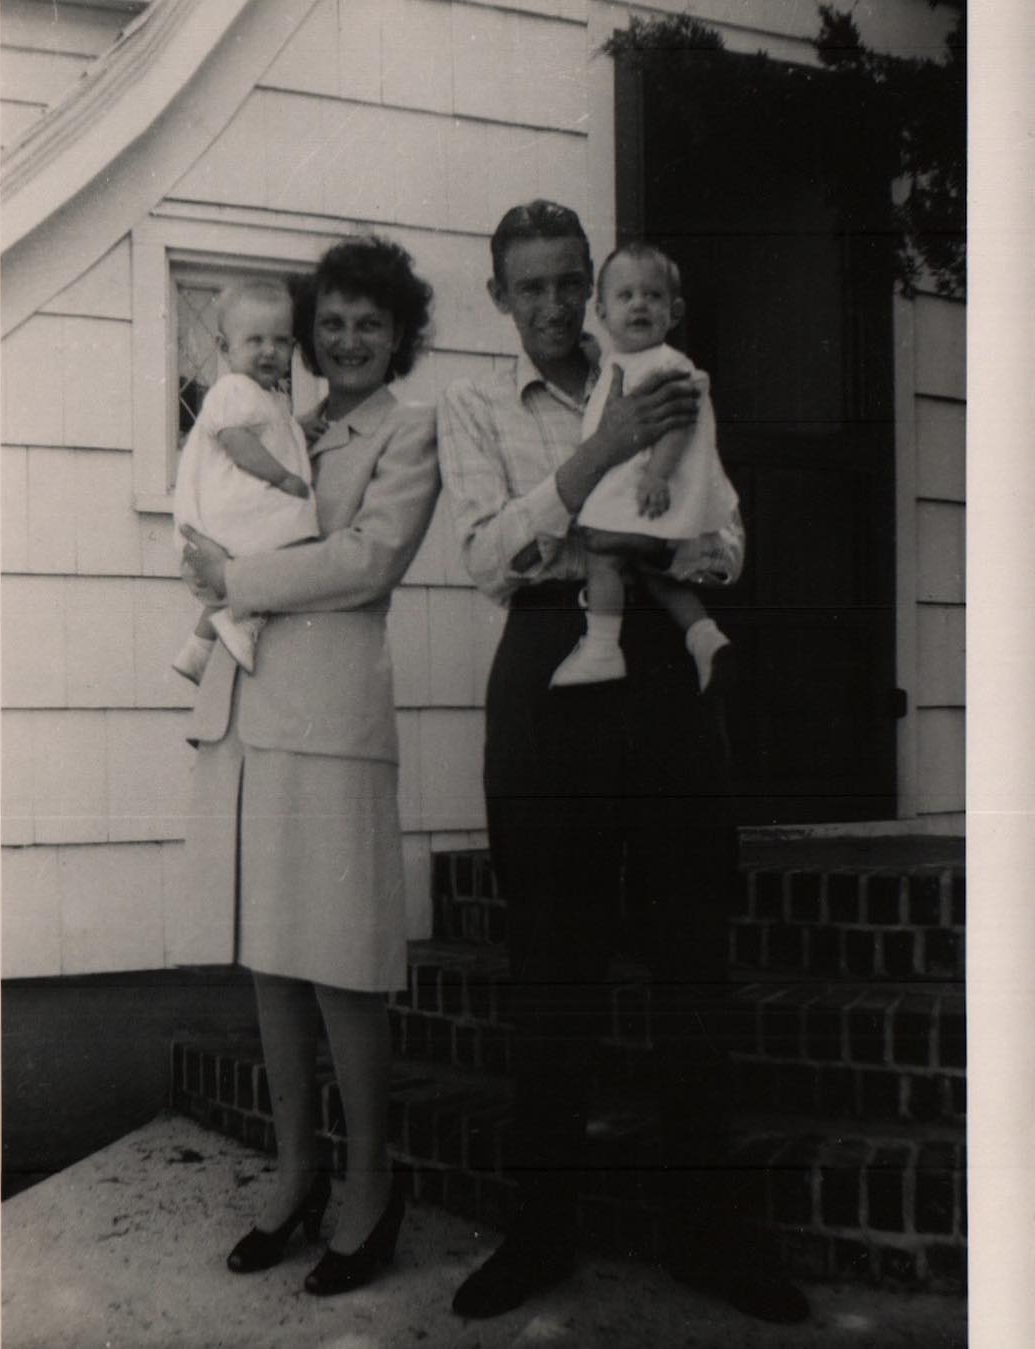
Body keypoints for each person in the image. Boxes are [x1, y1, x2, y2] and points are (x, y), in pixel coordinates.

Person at [437, 200, 808, 1324]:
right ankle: (540, 1230)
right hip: (549, 662)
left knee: (692, 953)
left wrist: (687, 542)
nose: (554, 306)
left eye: (568, 282)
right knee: (551, 958)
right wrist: (602, 456)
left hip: (659, 662)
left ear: (593, 284)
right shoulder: (473, 404)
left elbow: (730, 532)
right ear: (500, 298)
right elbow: (488, 556)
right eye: (531, 287)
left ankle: (709, 1233)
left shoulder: (660, 370)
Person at [175, 236, 439, 1297]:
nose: (345, 339)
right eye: (330, 321)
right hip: (250, 711)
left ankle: (371, 1186)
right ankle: (296, 1177)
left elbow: (366, 559)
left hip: (330, 728)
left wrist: (236, 572)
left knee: (342, 962)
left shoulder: (406, 434)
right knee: (271, 958)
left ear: (400, 334)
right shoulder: (277, 413)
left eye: (369, 322)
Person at [549, 240, 738, 692]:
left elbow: (678, 424)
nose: (639, 305)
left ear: (674, 313)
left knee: (604, 556)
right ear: (602, 311)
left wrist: (656, 474)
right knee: (652, 576)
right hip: (645, 493)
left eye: (652, 296)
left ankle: (601, 649)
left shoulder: (667, 364)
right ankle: (705, 638)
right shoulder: (620, 363)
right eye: (625, 296)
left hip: (654, 489)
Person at [171, 278, 321, 684]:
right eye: (254, 340)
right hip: (226, 507)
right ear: (224, 348)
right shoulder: (234, 388)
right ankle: (243, 621)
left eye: (280, 340)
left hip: (224, 514)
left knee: (264, 557)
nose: (269, 350)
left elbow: (271, 430)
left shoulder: (267, 396)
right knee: (295, 538)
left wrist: (300, 428)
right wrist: (284, 477)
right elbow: (238, 443)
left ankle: (199, 649)